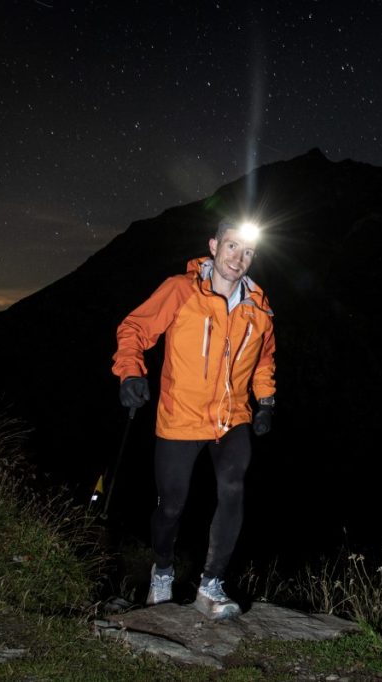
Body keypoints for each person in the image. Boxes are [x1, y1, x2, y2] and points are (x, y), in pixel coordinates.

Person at [111, 217, 276, 620]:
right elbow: (134, 328)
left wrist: (266, 402)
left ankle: (211, 584)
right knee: (171, 506)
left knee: (233, 487)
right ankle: (162, 571)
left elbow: (264, 359)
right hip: (180, 417)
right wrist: (131, 371)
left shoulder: (259, 306)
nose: (239, 258)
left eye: (248, 251)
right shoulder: (181, 290)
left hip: (231, 418)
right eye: (232, 247)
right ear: (214, 245)